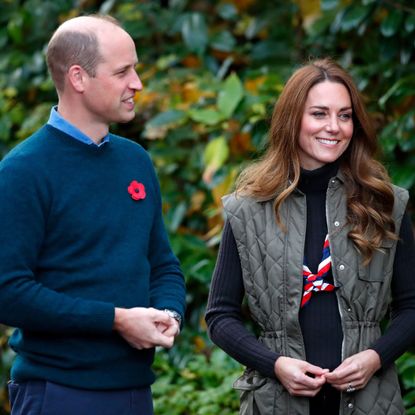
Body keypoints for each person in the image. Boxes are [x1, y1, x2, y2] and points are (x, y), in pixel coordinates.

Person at [205, 58, 415, 414]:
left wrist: (376, 357)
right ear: (292, 120)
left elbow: (411, 305)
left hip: (370, 403)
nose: (334, 127)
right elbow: (220, 316)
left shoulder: (386, 204)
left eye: (345, 115)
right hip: (276, 402)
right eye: (319, 114)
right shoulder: (248, 209)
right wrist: (274, 364)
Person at [0, 14, 185, 415]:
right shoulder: (23, 171)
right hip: (59, 394)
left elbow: (163, 265)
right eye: (122, 72)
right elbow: (8, 292)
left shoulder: (135, 160)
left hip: (137, 393)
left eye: (135, 69)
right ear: (79, 78)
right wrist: (115, 320)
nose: (136, 83)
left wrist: (168, 313)